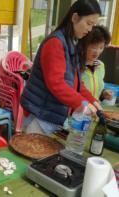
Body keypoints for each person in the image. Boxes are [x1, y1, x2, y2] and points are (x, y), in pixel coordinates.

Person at [20, 0, 103, 134]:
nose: (90, 29)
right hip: (41, 114)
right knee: (33, 150)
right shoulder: (55, 43)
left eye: (93, 25)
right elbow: (56, 84)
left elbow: (76, 83)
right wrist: (82, 103)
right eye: (88, 23)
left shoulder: (72, 43)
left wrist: (92, 101)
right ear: (75, 17)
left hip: (53, 115)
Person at [80, 25, 113, 101]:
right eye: (93, 47)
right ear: (84, 45)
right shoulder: (76, 65)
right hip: (78, 110)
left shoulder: (100, 66)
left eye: (101, 47)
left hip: (94, 110)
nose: (97, 51)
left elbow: (96, 91)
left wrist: (103, 94)